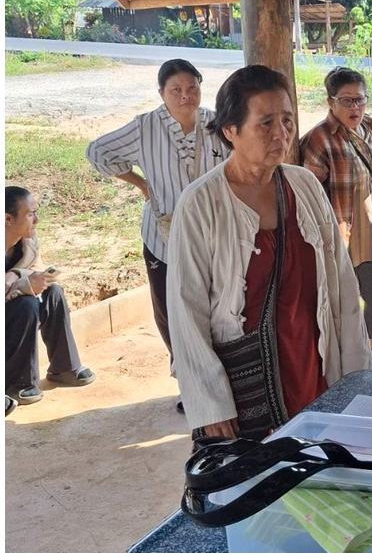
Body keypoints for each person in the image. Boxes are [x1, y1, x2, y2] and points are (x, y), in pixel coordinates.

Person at [167, 65, 372, 440]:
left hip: (311, 368)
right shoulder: (200, 203)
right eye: (266, 123)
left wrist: (356, 379)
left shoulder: (305, 187)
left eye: (287, 120)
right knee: (253, 472)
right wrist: (211, 404)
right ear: (231, 130)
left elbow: (342, 287)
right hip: (244, 391)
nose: (281, 134)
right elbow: (186, 310)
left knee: (317, 465)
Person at [86, 59, 230, 410]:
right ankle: (189, 384)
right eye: (176, 90)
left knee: (216, 308)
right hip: (163, 237)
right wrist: (140, 183)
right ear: (162, 93)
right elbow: (97, 152)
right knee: (171, 313)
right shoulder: (145, 127)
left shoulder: (217, 123)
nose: (185, 96)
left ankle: (219, 380)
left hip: (214, 235)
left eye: (192, 87)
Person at [300, 67, 372, 367]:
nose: (355, 107)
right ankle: (343, 361)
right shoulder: (318, 140)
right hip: (340, 238)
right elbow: (308, 198)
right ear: (330, 102)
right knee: (341, 304)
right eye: (346, 100)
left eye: (360, 100)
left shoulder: (369, 127)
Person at [5, 187, 96, 405]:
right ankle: (17, 383)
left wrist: (15, 276)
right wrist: (25, 284)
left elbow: (35, 268)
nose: (36, 220)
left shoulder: (28, 241)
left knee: (53, 292)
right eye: (30, 214)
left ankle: (64, 368)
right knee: (26, 305)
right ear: (7, 219)